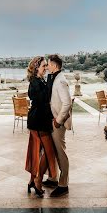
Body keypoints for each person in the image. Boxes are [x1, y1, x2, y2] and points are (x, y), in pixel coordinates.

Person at [25, 56, 57, 197]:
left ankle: (32, 180)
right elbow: (44, 100)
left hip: (38, 120)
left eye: (46, 66)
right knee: (50, 151)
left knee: (37, 151)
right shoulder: (35, 82)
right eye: (44, 66)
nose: (46, 68)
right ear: (36, 68)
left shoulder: (39, 80)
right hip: (38, 121)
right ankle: (38, 180)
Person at [46, 54, 72, 197]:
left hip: (58, 123)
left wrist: (58, 120)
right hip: (52, 120)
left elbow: (67, 103)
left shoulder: (61, 81)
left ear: (54, 65)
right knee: (54, 151)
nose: (47, 66)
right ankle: (53, 178)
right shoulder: (54, 78)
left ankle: (63, 185)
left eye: (48, 64)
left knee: (61, 153)